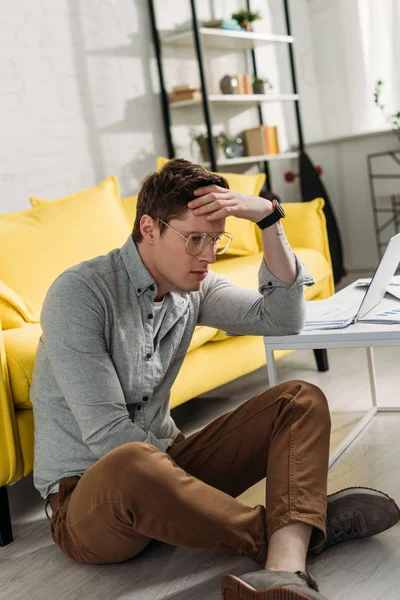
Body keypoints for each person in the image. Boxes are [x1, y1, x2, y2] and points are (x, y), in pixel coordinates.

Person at [31, 158, 399, 600]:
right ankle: (297, 532)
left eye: (216, 239)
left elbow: (283, 318)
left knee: (298, 398)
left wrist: (268, 218)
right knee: (131, 459)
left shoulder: (194, 287)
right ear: (149, 228)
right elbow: (107, 436)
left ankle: (283, 569)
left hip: (170, 466)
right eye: (194, 239)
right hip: (91, 503)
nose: (207, 254)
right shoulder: (80, 294)